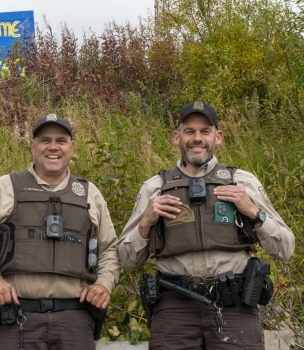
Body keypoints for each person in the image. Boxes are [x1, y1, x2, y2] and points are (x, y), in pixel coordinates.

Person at [117, 101, 295, 350]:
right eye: (189, 131)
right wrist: (146, 222)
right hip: (173, 311)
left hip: (233, 308)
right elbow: (127, 260)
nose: (197, 138)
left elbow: (285, 248)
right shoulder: (154, 188)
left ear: (218, 137)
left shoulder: (242, 182)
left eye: (205, 131)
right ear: (176, 137)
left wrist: (252, 211)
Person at [0, 114, 121, 350]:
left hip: (75, 321)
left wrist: (104, 284)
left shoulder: (90, 194)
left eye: (61, 140)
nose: (53, 147)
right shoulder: (6, 187)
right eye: (45, 140)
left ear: (71, 147)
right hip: (17, 318)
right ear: (33, 146)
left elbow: (110, 249)